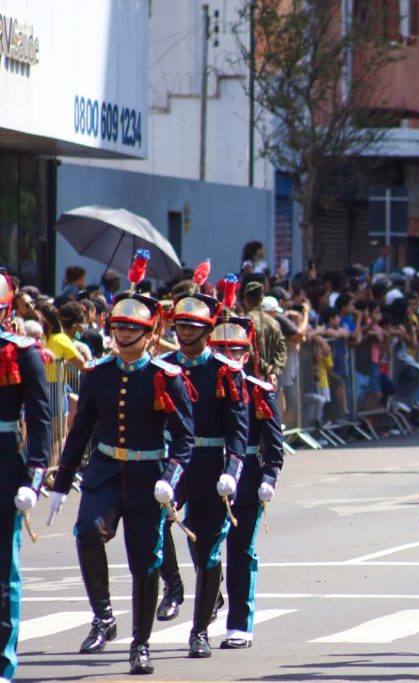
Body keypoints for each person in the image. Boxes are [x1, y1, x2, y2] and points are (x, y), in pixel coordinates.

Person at [47, 290, 194, 676]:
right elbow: (81, 430)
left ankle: (140, 644)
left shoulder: (166, 377)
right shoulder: (99, 373)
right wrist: (62, 482)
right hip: (106, 471)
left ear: (148, 334)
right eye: (119, 327)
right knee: (87, 531)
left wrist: (171, 478)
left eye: (133, 328)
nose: (125, 334)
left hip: (148, 476)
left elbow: (184, 438)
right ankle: (103, 617)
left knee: (145, 562)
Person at [163, 288, 249, 658]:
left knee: (208, 551)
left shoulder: (224, 371)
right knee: (153, 523)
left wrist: (231, 471)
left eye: (192, 326)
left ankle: (199, 631)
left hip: (210, 464)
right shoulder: (163, 367)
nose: (184, 332)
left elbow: (238, 431)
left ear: (208, 330)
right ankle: (173, 586)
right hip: (171, 463)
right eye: (180, 325)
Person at [209, 315, 285, 649]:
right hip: (207, 472)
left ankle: (239, 625)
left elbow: (274, 444)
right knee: (204, 547)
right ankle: (211, 590)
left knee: (241, 552)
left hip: (247, 477)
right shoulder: (199, 387)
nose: (227, 358)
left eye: (235, 351)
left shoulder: (257, 390)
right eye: (219, 351)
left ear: (246, 353)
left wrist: (269, 476)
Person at [0, 269, 52, 683]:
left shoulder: (21, 352)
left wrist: (34, 476)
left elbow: (40, 419)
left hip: (3, 463)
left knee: (3, 570)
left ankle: (2, 661)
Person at [241, 280, 286, 387]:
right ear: (261, 299)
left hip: (249, 380)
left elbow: (248, 351)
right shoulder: (274, 323)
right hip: (270, 380)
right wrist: (274, 371)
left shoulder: (245, 322)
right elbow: (282, 350)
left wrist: (267, 369)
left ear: (245, 299)